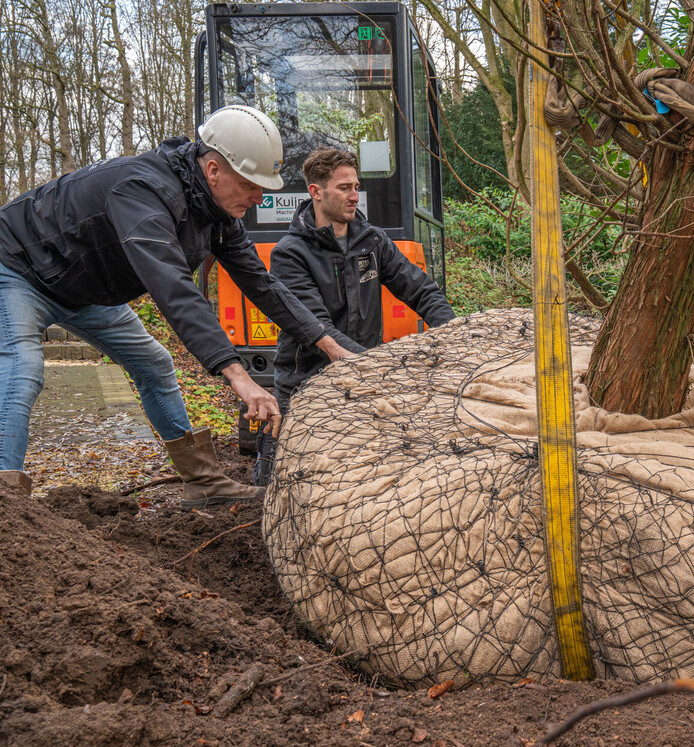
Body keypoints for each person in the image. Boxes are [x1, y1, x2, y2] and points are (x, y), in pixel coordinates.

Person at [0, 105, 354, 504]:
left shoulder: (215, 214)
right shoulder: (142, 191)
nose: (259, 197)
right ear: (214, 170)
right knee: (22, 365)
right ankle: (7, 505)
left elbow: (262, 284)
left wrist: (330, 347)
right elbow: (174, 289)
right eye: (251, 184)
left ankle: (204, 484)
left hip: (84, 291)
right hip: (17, 268)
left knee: (154, 364)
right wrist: (239, 376)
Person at [254, 147, 456, 484]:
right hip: (307, 385)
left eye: (355, 187)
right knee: (286, 485)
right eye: (344, 188)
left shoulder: (372, 242)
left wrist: (456, 332)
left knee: (357, 480)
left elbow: (420, 290)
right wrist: (379, 367)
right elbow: (320, 329)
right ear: (315, 192)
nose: (354, 196)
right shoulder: (291, 253)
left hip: (361, 378)